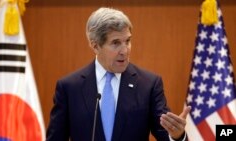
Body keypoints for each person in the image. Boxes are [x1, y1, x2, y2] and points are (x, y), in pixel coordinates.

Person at [46, 7, 191, 141]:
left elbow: (165, 132)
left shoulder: (148, 84)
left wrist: (178, 136)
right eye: (116, 43)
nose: (125, 50)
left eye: (127, 41)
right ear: (95, 45)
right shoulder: (70, 87)